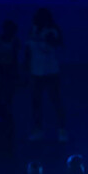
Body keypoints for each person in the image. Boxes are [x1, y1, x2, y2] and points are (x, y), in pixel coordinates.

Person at [25, 7, 66, 142]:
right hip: (36, 72)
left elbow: (57, 43)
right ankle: (38, 130)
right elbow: (28, 50)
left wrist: (50, 38)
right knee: (36, 102)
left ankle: (61, 130)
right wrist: (26, 67)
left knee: (56, 101)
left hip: (50, 72)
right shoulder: (33, 29)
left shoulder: (51, 31)